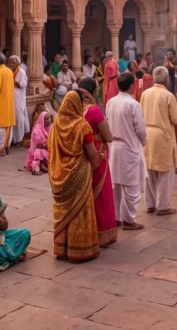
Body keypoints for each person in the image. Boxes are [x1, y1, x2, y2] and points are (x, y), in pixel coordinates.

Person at [48, 93, 102, 262]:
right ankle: (81, 250)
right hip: (79, 173)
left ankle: (62, 249)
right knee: (80, 211)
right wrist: (100, 156)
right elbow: (91, 153)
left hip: (58, 174)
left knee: (64, 211)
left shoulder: (56, 124)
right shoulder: (82, 126)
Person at [77, 79, 118, 247]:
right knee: (102, 194)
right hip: (97, 155)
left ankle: (87, 231)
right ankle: (102, 233)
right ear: (93, 92)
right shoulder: (94, 111)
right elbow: (108, 137)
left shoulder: (75, 109)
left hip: (80, 157)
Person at [106, 73, 147, 229]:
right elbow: (141, 130)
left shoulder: (110, 102)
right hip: (129, 147)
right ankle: (129, 220)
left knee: (116, 185)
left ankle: (117, 218)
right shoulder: (133, 104)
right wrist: (143, 142)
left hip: (114, 147)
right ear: (131, 85)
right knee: (131, 186)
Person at [141, 67, 177, 216]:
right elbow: (176, 119)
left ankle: (150, 204)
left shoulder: (145, 93)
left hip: (147, 134)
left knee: (150, 171)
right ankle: (163, 206)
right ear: (166, 79)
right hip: (163, 135)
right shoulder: (168, 95)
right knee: (165, 172)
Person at [8, 56, 30, 146]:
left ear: (17, 63)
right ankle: (13, 139)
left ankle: (20, 139)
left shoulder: (21, 72)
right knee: (12, 118)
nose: (11, 64)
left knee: (19, 118)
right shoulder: (9, 72)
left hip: (19, 98)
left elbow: (23, 84)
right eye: (10, 62)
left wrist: (12, 80)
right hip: (10, 97)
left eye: (13, 63)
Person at [22, 109, 52, 176]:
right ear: (42, 121)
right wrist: (51, 143)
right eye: (47, 119)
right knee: (39, 152)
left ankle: (43, 166)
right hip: (39, 150)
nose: (49, 120)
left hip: (49, 148)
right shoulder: (37, 130)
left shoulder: (50, 127)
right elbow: (41, 145)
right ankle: (36, 169)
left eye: (50, 118)